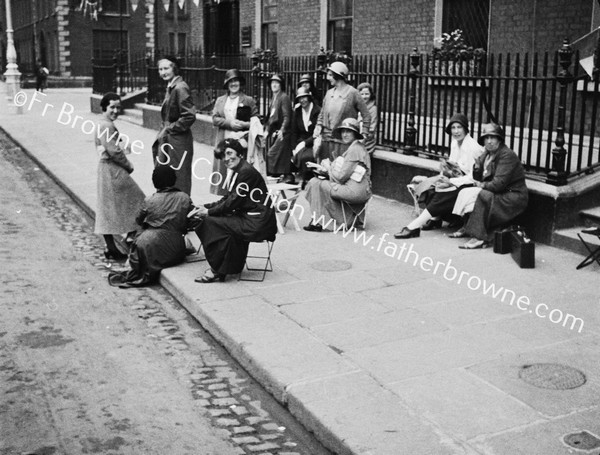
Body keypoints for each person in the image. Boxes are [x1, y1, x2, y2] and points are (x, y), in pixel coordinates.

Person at [194, 139, 277, 283]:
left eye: (229, 153)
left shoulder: (245, 172)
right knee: (218, 222)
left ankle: (218, 269)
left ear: (239, 153)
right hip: (252, 219)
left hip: (257, 223)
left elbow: (232, 202)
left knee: (209, 222)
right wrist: (206, 206)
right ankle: (226, 267)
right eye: (222, 156)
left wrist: (208, 212)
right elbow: (228, 198)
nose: (226, 159)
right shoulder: (241, 170)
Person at [394, 113, 483, 239]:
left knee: (443, 195)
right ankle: (436, 219)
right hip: (457, 180)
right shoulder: (454, 143)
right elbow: (452, 166)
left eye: (459, 127)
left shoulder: (473, 148)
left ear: (466, 129)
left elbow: (474, 178)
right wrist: (442, 176)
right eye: (453, 128)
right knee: (430, 185)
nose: (456, 131)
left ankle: (413, 227)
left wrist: (450, 181)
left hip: (470, 184)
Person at [108, 166, 194, 288]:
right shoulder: (184, 197)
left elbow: (138, 220)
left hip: (152, 249)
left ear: (155, 182)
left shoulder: (150, 200)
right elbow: (192, 219)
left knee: (140, 236)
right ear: (173, 179)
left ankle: (133, 263)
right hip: (177, 250)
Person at [455, 123, 529, 249]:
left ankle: (479, 237)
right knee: (466, 191)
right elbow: (478, 177)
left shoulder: (507, 155)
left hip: (513, 196)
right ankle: (468, 227)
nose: (489, 141)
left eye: (492, 137)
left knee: (483, 194)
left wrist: (481, 185)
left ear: (499, 139)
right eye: (486, 138)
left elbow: (498, 184)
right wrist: (477, 166)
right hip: (500, 192)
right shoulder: (487, 154)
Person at [94, 92, 146, 260]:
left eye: (118, 107)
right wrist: (128, 165)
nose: (116, 111)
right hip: (112, 168)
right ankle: (125, 239)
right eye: (112, 107)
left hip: (108, 168)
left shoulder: (104, 123)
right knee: (139, 200)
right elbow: (114, 151)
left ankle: (113, 246)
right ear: (104, 107)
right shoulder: (106, 125)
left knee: (109, 208)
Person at [304, 118, 371, 232]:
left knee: (318, 184)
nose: (344, 134)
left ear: (355, 133)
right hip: (356, 188)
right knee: (315, 182)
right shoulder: (356, 147)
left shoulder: (355, 150)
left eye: (348, 131)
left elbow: (341, 177)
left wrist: (328, 168)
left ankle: (319, 221)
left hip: (354, 191)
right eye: (343, 131)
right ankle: (319, 220)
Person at [152, 56, 196, 195]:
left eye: (166, 68)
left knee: (179, 177)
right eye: (160, 69)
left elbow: (189, 116)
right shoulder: (171, 86)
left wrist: (170, 128)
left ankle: (181, 209)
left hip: (178, 141)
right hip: (169, 138)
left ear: (174, 69)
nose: (163, 72)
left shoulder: (180, 87)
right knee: (166, 176)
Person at [211, 69, 259, 196]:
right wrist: (229, 123)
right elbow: (215, 118)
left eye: (236, 81)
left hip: (240, 141)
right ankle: (224, 200)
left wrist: (244, 125)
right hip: (224, 139)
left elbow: (257, 122)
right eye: (230, 81)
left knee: (239, 172)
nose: (234, 84)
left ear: (240, 83)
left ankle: (238, 199)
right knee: (224, 172)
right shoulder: (220, 100)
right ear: (227, 84)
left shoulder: (248, 100)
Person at [313, 61, 372, 162]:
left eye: (330, 75)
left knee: (339, 170)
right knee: (324, 170)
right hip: (326, 140)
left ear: (338, 76)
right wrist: (318, 126)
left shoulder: (353, 93)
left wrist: (364, 134)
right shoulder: (329, 93)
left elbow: (366, 115)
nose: (328, 78)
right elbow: (322, 113)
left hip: (343, 142)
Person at [290, 86, 321, 189]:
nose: (302, 100)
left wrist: (304, 143)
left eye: (304, 97)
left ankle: (307, 180)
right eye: (300, 98)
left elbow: (318, 132)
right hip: (301, 140)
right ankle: (297, 177)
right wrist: (294, 147)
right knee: (293, 153)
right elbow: (294, 131)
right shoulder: (297, 111)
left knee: (306, 157)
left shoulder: (317, 110)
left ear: (309, 97)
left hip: (314, 140)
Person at [265, 73, 293, 181]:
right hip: (275, 131)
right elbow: (271, 116)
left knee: (271, 153)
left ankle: (286, 174)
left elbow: (287, 116)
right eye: (272, 82)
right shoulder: (274, 98)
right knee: (272, 152)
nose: (274, 85)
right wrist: (267, 130)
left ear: (281, 85)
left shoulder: (284, 97)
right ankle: (277, 173)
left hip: (284, 132)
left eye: (277, 83)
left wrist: (282, 130)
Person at [357, 82, 378, 154]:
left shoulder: (373, 109)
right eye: (362, 94)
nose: (364, 96)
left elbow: (372, 129)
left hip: (367, 141)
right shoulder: (356, 107)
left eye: (367, 94)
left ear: (371, 95)